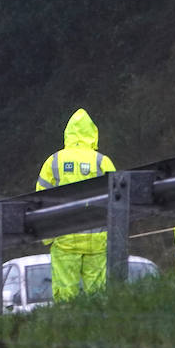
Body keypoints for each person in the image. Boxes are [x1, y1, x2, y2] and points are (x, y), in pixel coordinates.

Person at [35, 108, 116, 301]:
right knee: (99, 298)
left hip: (65, 242)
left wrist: (48, 238)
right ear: (93, 134)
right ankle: (100, 330)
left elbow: (40, 202)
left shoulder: (54, 162)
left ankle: (67, 329)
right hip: (98, 241)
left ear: (68, 134)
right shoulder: (102, 162)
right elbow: (117, 199)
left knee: (65, 299)